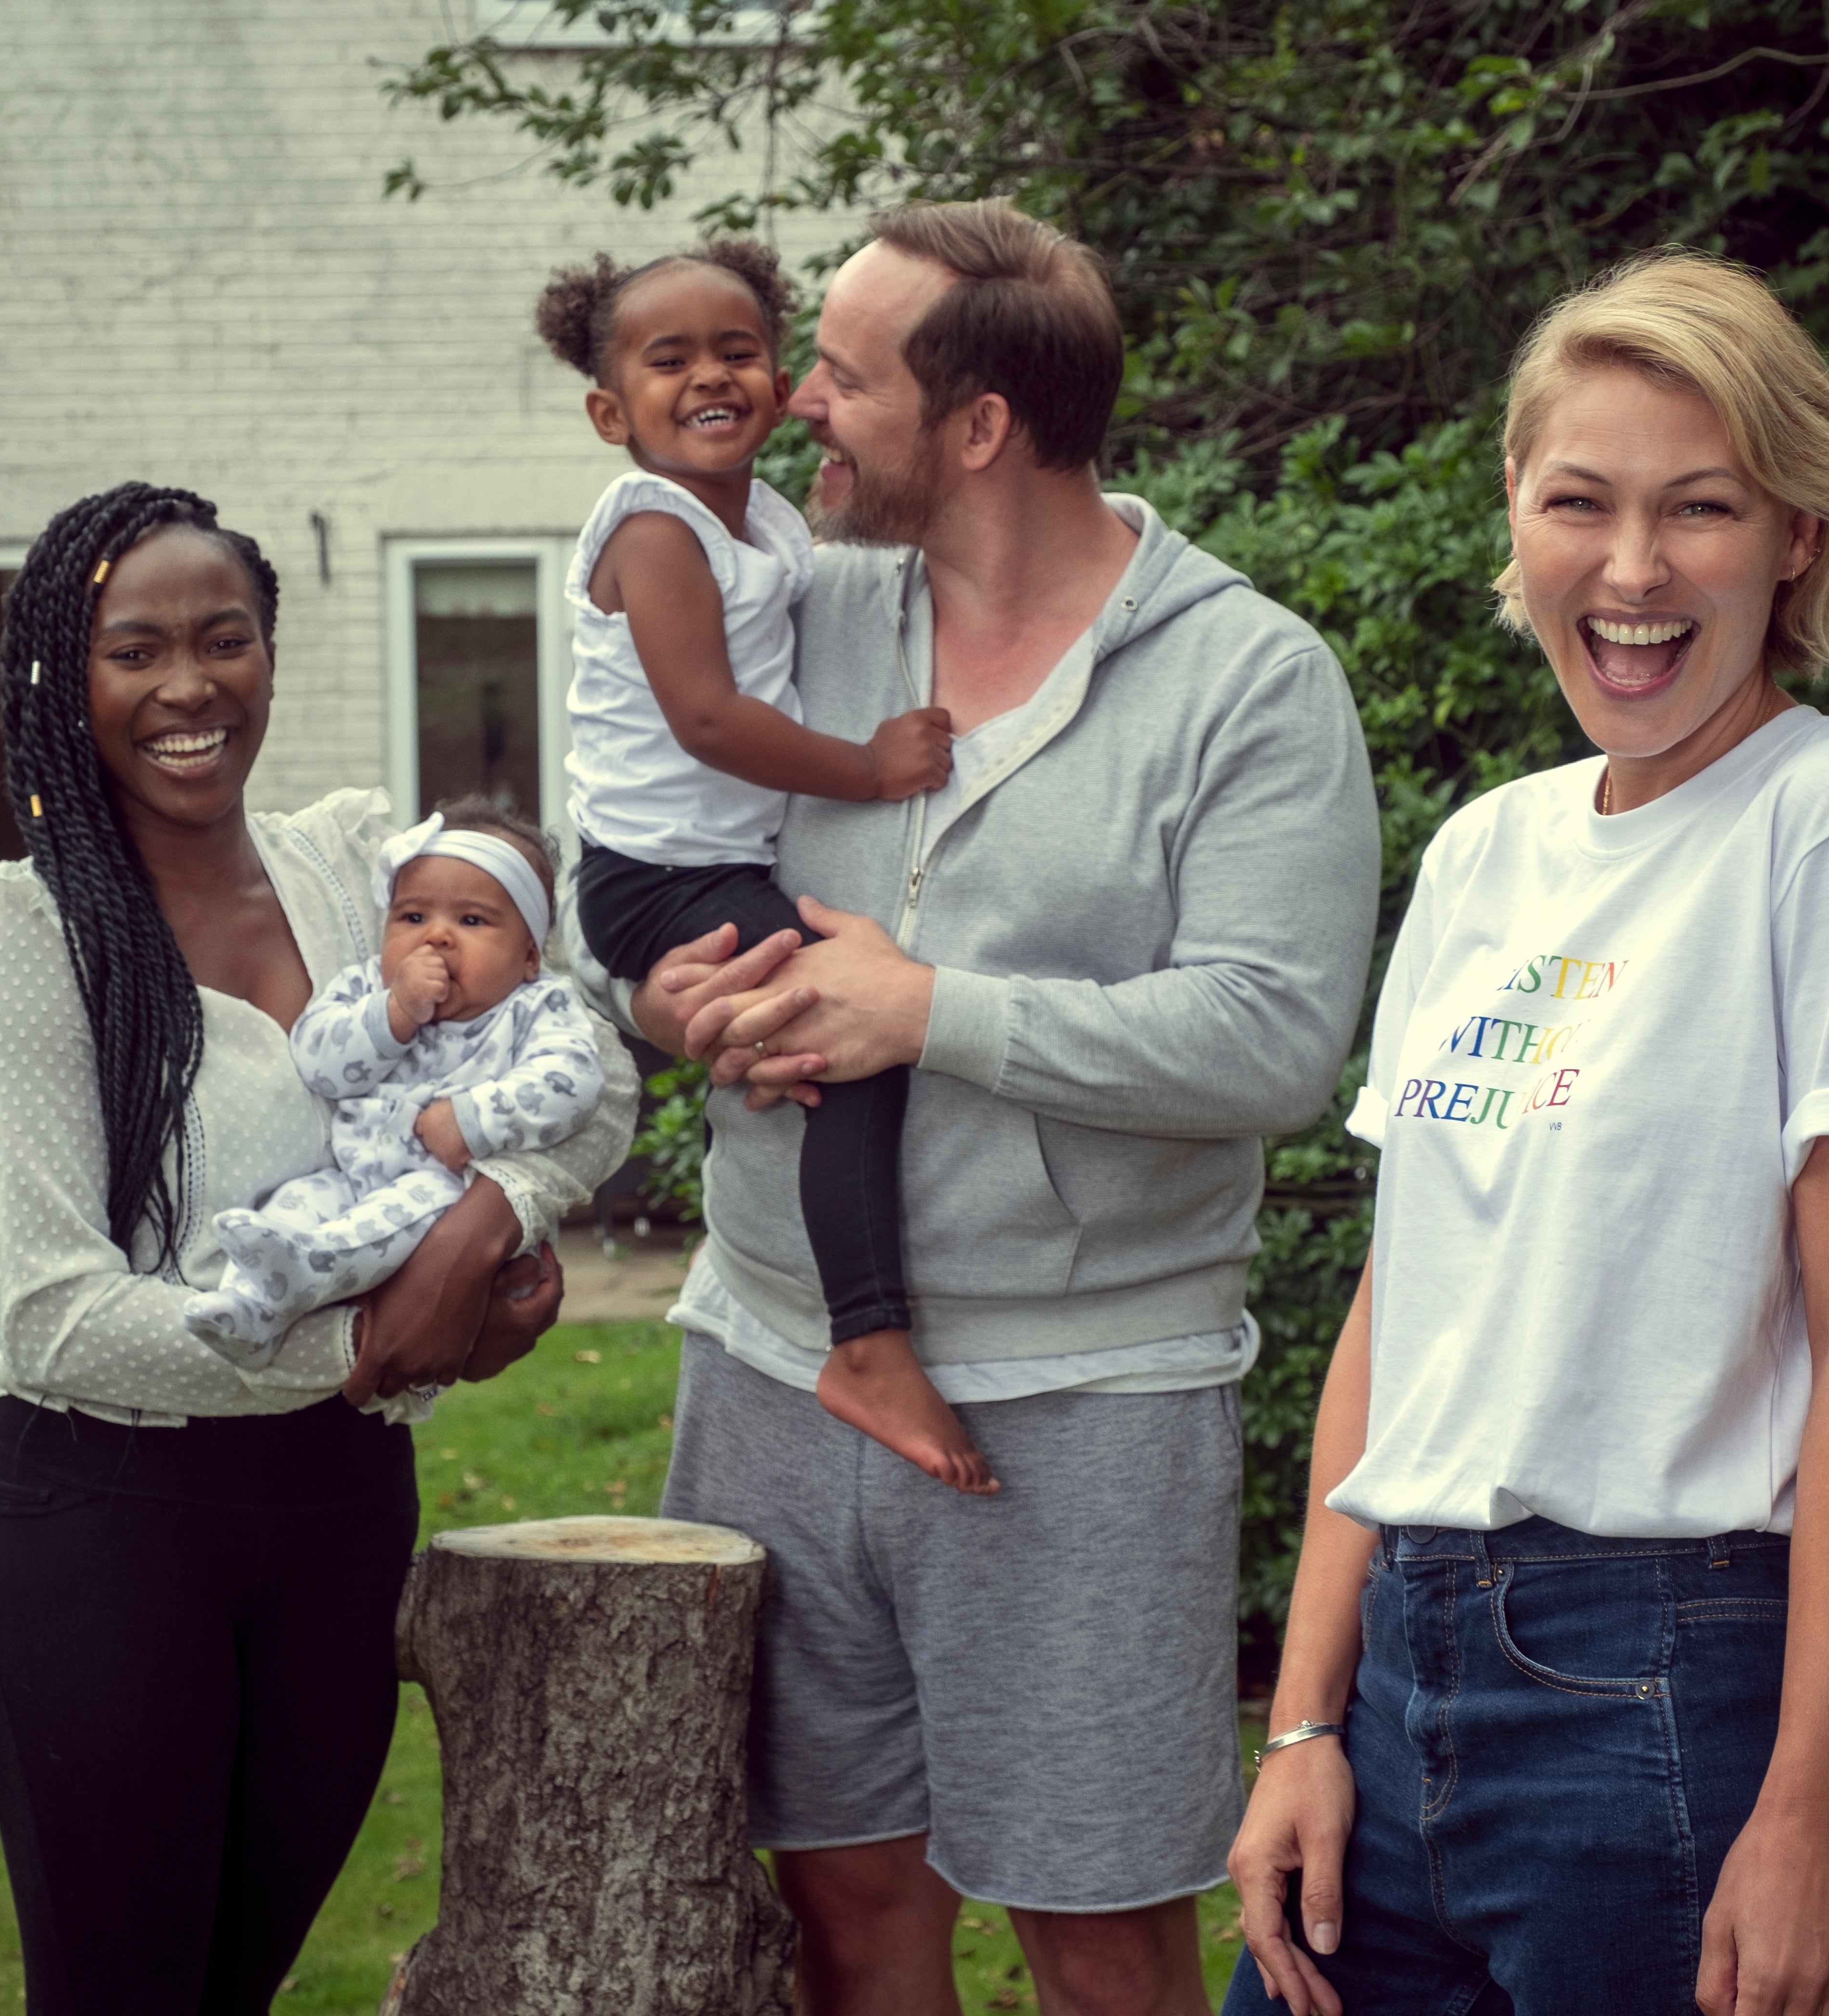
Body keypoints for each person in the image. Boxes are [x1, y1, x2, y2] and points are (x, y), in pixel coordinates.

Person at [576, 199, 1378, 2016]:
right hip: (771, 1371)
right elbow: (617, 847)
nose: (790, 404)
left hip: (1082, 1412)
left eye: (843, 377)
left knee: (1098, 1946)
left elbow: (1272, 1044)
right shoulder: (794, 605)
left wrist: (927, 1014)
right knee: (846, 1919)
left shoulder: (1248, 681)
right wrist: (649, 993)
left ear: (982, 426)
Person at [1220, 249, 1829, 2016]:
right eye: (1583, 501)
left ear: (1796, 535)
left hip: (1673, 1683)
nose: (1633, 572)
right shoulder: (1488, 849)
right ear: (1516, 509)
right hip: (1402, 1670)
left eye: (1699, 509)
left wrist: (1802, 1811)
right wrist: (1306, 1715)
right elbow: (1401, 1313)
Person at [0, 482, 638, 2014]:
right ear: (73, 677)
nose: (189, 686)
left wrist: (489, 1224)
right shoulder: (35, 934)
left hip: (335, 1518)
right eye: (136, 651)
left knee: (235, 1986)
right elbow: (55, 1314)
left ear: (267, 653)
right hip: (105, 1527)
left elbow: (579, 1075)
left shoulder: (353, 875)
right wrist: (371, 1347)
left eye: (225, 638)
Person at [537, 239, 988, 1493]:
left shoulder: (770, 518)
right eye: (666, 359)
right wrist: (874, 767)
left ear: (781, 376)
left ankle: (848, 1312)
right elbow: (711, 720)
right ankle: (869, 1341)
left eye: (735, 349)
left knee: (817, 1038)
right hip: (656, 879)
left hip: (702, 862)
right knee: (854, 1043)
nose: (708, 376)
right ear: (609, 411)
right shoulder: (654, 527)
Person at [184, 803, 604, 1362]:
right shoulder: (367, 987)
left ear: (529, 956)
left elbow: (574, 1080)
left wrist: (475, 1118)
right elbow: (316, 1060)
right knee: (292, 1204)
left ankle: (307, 1270)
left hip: (451, 1191)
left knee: (404, 1208)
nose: (437, 938)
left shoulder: (536, 1006)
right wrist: (394, 1013)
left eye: (472, 921)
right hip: (351, 1176)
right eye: (412, 918)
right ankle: (248, 1308)